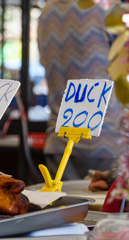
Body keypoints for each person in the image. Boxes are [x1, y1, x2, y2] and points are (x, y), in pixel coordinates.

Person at [38, 0, 126, 180]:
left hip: (59, 139)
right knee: (107, 208)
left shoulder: (45, 13)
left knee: (66, 207)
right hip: (105, 138)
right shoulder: (106, 10)